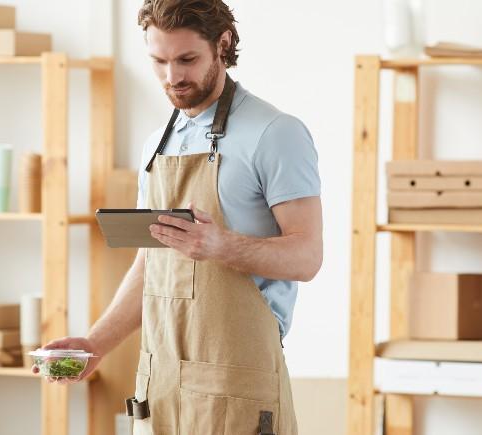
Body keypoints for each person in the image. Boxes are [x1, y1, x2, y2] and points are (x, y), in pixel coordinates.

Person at [34, 1, 322, 433]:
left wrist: (220, 245)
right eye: (159, 61)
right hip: (161, 384)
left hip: (235, 384)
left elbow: (307, 256)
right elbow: (152, 263)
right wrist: (97, 343)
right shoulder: (158, 144)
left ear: (222, 45)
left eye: (187, 59)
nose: (173, 77)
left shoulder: (275, 133)